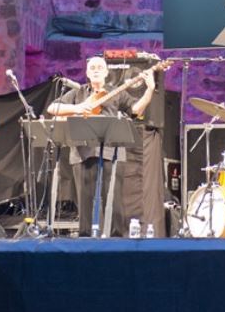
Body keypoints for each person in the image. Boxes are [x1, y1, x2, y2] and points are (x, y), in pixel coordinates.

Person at [47, 56, 155, 236]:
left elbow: (136, 110)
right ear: (87, 73)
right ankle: (85, 240)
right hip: (82, 152)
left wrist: (149, 90)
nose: (96, 70)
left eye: (100, 67)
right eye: (92, 67)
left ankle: (116, 241)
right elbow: (53, 108)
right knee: (85, 203)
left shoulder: (117, 92)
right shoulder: (78, 93)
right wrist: (79, 108)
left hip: (112, 152)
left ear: (106, 72)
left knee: (115, 204)